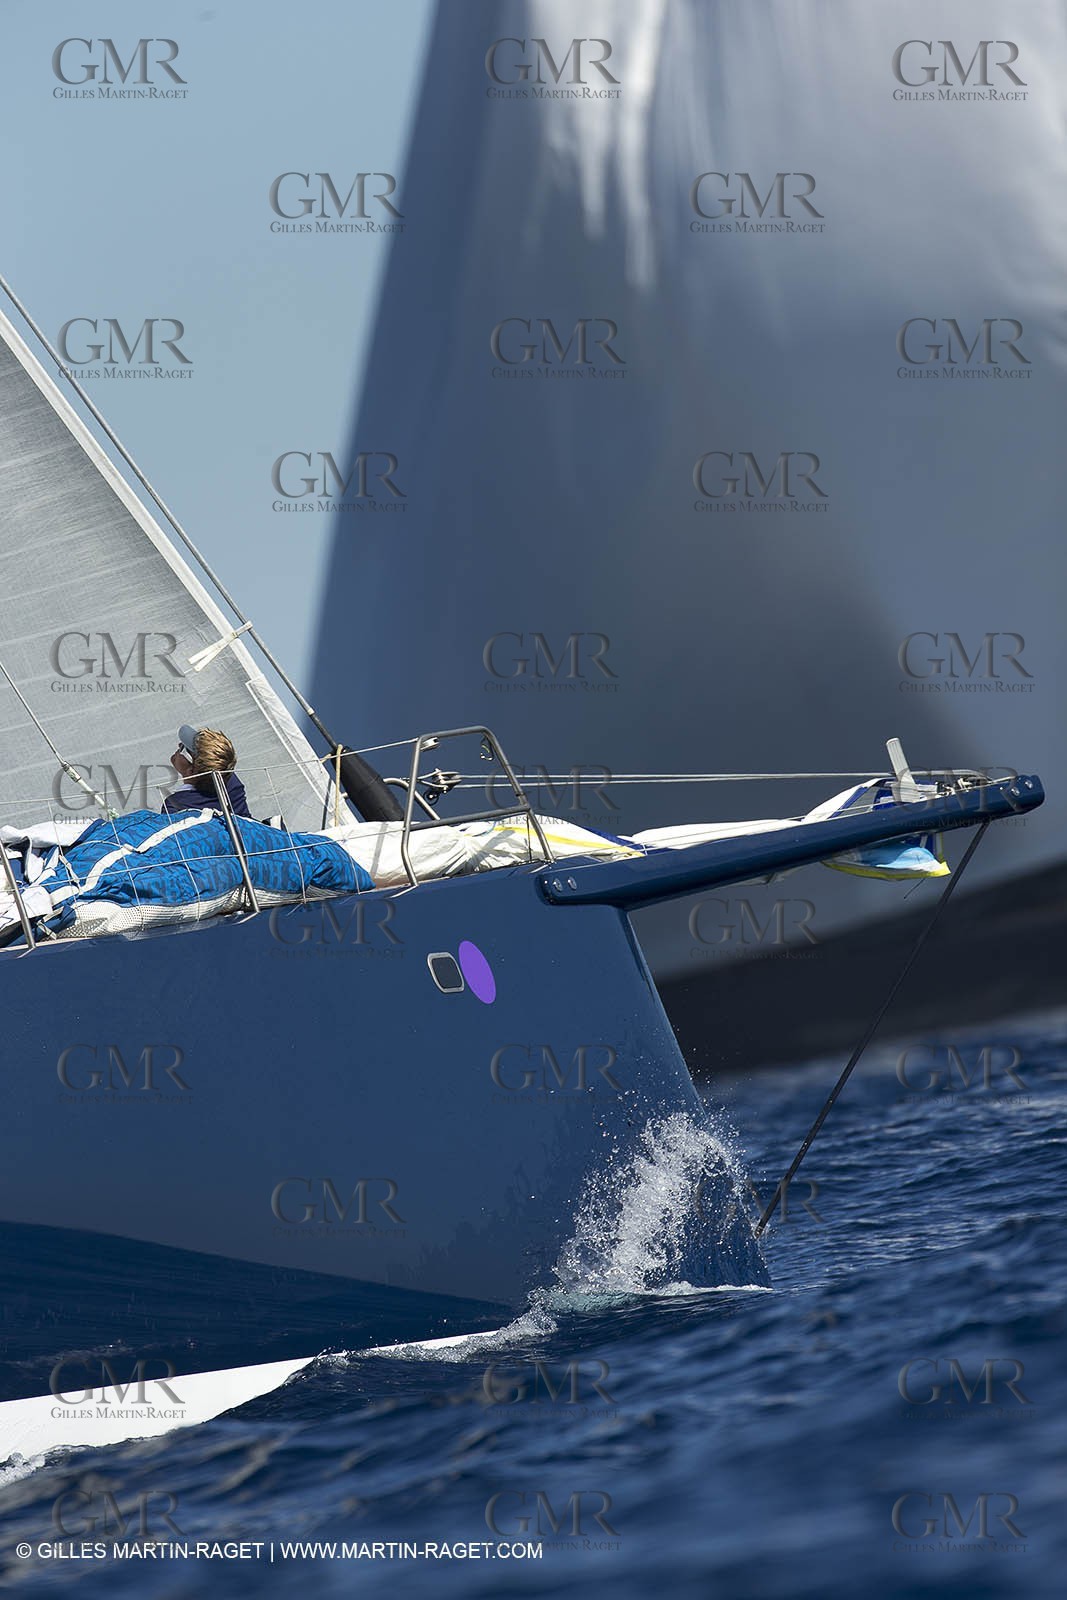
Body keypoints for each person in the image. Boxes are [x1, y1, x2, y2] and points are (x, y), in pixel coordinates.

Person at [162, 725, 252, 818]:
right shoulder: (230, 781)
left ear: (191, 771)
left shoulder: (175, 806)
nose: (179, 745)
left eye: (182, 748)